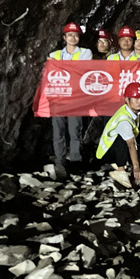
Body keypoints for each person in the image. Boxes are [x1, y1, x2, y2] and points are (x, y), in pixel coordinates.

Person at [48, 22, 93, 176]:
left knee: (75, 131)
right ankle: (60, 160)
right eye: (70, 35)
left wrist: (59, 67)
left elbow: (81, 70)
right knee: (58, 131)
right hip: (58, 98)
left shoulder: (86, 53)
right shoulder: (54, 54)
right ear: (64, 37)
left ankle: (75, 161)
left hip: (76, 98)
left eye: (76, 35)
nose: (73, 38)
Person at [95, 82, 140, 188]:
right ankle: (120, 170)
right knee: (126, 138)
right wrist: (136, 168)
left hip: (116, 151)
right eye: (136, 99)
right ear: (127, 100)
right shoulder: (124, 120)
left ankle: (123, 164)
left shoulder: (130, 111)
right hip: (107, 153)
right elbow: (131, 144)